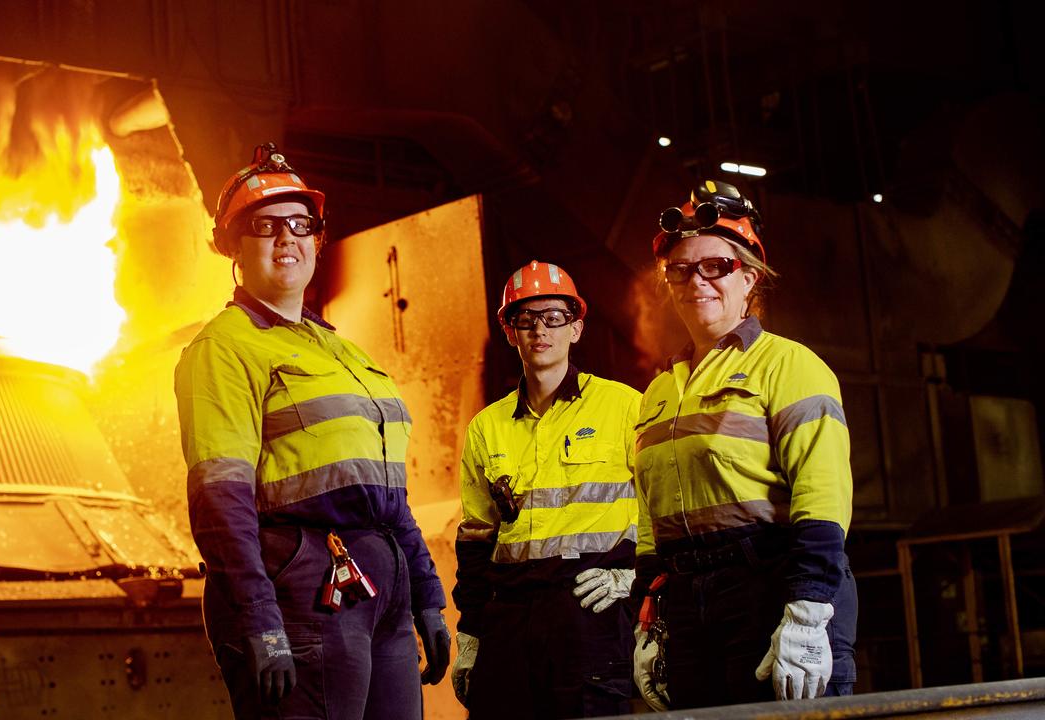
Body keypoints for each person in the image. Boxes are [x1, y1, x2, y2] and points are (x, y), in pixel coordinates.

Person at [175, 143, 451, 720]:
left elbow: (388, 497)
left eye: (301, 224)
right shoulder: (225, 348)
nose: (287, 238)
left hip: (380, 589)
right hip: (301, 591)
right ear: (233, 246)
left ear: (317, 240)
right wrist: (258, 619)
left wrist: (426, 595)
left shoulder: (340, 349)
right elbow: (219, 500)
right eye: (265, 225)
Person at [628, 180, 858, 710]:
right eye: (681, 269)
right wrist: (650, 615)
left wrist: (807, 608)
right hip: (690, 606)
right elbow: (650, 514)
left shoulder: (788, 366)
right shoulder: (661, 391)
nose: (697, 281)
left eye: (716, 266)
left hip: (772, 590)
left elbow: (822, 499)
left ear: (750, 277)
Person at [450, 260, 641, 719]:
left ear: (576, 328)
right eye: (526, 319)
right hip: (509, 620)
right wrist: (471, 634)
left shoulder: (624, 407)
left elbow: (665, 509)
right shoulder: (486, 428)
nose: (541, 330)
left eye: (554, 317)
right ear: (509, 331)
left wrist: (633, 578)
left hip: (587, 610)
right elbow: (475, 540)